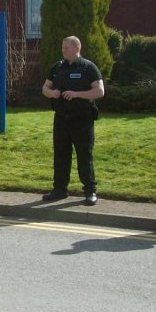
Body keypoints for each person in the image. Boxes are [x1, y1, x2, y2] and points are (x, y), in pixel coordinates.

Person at [41, 36, 105, 206]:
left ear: (77, 48)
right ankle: (59, 190)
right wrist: (52, 93)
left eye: (66, 47)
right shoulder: (58, 67)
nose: (63, 50)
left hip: (82, 119)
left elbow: (99, 91)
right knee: (61, 155)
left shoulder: (88, 67)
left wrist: (77, 94)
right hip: (61, 118)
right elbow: (45, 87)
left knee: (84, 155)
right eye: (62, 47)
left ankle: (90, 191)